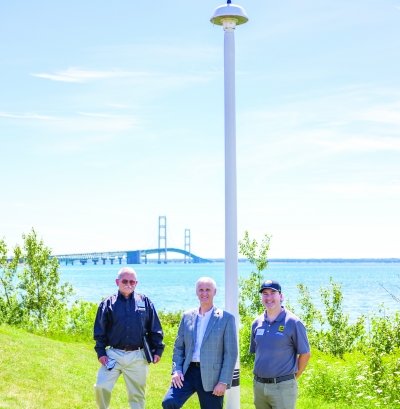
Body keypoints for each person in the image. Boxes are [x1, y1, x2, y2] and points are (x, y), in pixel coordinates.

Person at [93, 267, 164, 409]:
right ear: (117, 282)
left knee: (137, 396)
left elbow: (155, 327)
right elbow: (100, 330)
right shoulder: (107, 303)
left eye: (132, 282)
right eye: (125, 281)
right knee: (101, 386)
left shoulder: (145, 302)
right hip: (113, 354)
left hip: (138, 356)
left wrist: (158, 350)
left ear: (136, 283)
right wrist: (101, 352)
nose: (129, 284)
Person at [162, 276, 238, 409]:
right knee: (169, 402)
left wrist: (223, 381)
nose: (204, 293)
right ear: (196, 292)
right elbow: (179, 347)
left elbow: (230, 354)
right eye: (201, 290)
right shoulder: (187, 316)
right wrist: (176, 370)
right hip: (188, 372)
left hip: (212, 376)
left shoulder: (226, 319)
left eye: (208, 290)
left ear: (215, 292)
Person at [250, 279, 311, 409]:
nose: (269, 297)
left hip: (283, 388)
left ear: (281, 296)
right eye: (265, 293)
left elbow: (305, 354)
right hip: (259, 386)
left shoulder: (293, 322)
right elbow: (258, 352)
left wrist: (292, 378)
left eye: (273, 293)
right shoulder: (257, 323)